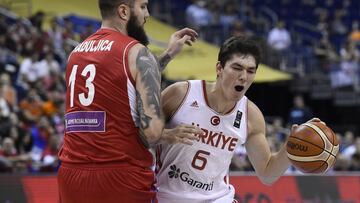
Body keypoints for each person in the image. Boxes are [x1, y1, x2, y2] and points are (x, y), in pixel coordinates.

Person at [57, 0, 202, 203]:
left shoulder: (76, 53)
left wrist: (168, 54)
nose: (147, 14)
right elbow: (152, 133)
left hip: (70, 174)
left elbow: (122, 78)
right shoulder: (137, 52)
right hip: (118, 176)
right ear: (124, 11)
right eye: (142, 6)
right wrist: (169, 134)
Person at [155, 36, 323, 203]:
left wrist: (290, 148)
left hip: (218, 199)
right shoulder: (180, 94)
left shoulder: (251, 115)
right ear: (219, 68)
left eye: (251, 71)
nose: (243, 76)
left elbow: (267, 174)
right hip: (167, 196)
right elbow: (139, 133)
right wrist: (167, 134)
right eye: (237, 68)